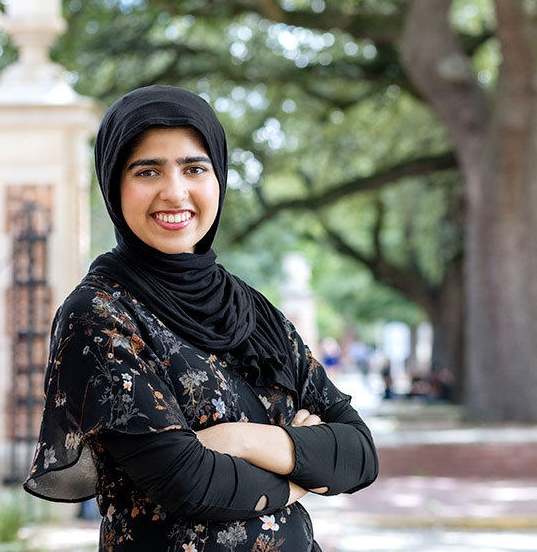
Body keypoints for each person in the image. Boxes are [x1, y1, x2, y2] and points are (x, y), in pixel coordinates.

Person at [24, 86, 378, 552]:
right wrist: (300, 474)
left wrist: (242, 440)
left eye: (194, 168)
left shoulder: (253, 311)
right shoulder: (100, 314)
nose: (175, 192)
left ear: (218, 179)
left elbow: (358, 452)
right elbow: (185, 481)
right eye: (147, 171)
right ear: (114, 184)